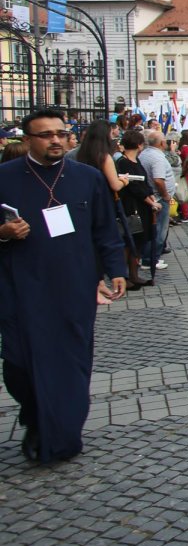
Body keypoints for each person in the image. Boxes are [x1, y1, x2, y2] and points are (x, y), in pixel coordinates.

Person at [0, 109, 127, 462]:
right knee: (18, 365)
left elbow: (105, 228)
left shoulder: (86, 178)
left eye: (61, 133)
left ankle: (61, 436)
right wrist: (3, 233)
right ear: (27, 140)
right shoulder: (5, 177)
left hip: (73, 286)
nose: (56, 140)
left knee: (70, 364)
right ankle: (37, 416)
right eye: (45, 135)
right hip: (19, 289)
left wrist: (114, 268)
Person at [115, 131, 161, 290]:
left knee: (138, 241)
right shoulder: (123, 162)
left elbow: (145, 183)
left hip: (143, 206)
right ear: (139, 144)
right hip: (132, 207)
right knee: (128, 242)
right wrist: (150, 201)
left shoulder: (137, 161)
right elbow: (134, 187)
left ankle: (134, 274)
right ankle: (124, 276)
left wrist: (151, 197)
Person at [139, 130, 174, 274]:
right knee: (159, 231)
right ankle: (150, 259)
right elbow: (158, 180)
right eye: (164, 140)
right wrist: (166, 195)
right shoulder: (157, 158)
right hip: (159, 199)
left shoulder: (145, 154)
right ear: (161, 143)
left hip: (152, 197)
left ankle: (148, 257)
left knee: (154, 229)